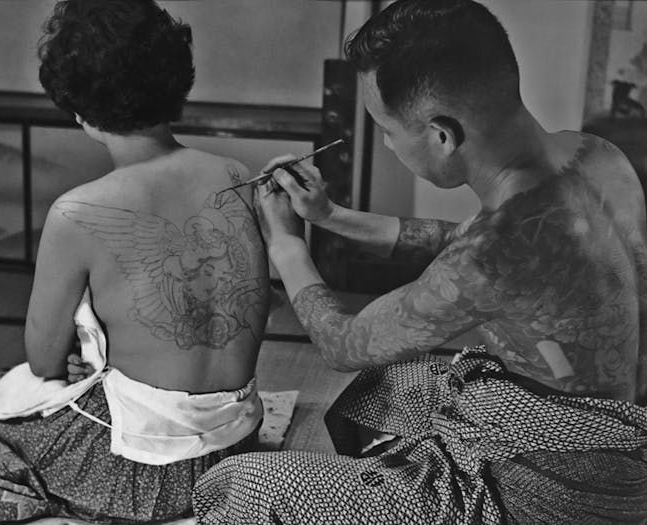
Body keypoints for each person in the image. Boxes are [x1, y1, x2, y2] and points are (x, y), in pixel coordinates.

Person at [192, 1, 647, 523]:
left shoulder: (493, 254)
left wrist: (287, 245)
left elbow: (343, 343)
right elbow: (474, 245)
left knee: (244, 487)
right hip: (606, 435)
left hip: (556, 494)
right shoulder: (595, 155)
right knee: (382, 388)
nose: (386, 144)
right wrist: (330, 214)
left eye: (386, 130)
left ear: (441, 135)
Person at [0, 1, 269, 524]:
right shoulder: (237, 175)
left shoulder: (78, 213)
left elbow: (44, 362)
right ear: (177, 82)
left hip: (140, 476)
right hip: (236, 459)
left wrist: (78, 354)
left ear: (78, 108)